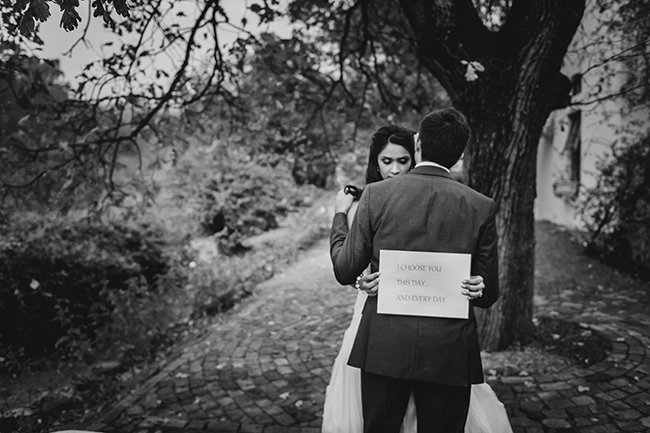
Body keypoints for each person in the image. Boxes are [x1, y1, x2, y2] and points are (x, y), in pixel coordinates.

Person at [330, 109, 500, 433]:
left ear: (418, 143)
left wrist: (339, 220)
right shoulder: (481, 205)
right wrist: (478, 287)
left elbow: (344, 270)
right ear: (460, 153)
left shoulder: (376, 195)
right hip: (449, 351)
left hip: (384, 345)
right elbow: (487, 293)